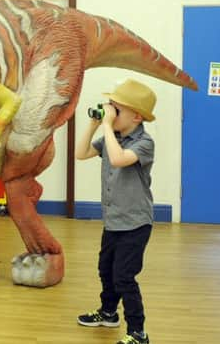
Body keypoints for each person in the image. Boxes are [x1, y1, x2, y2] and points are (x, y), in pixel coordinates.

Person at [74, 79, 157, 344]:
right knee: (105, 269)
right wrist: (95, 124)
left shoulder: (144, 142)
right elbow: (81, 153)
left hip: (135, 223)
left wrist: (107, 127)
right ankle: (108, 313)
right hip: (113, 221)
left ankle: (138, 333)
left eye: (116, 109)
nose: (111, 112)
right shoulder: (113, 137)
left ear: (136, 116)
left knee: (124, 276)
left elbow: (120, 160)